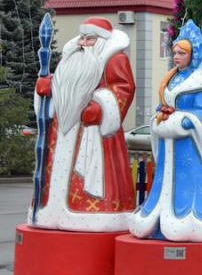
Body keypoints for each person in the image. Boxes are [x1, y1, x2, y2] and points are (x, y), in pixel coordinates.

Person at [129, 20, 202, 242]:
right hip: (169, 146)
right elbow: (162, 106)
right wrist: (158, 118)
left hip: (190, 147)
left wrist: (188, 121)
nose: (176, 57)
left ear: (192, 55)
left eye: (182, 53)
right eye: (175, 52)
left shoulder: (201, 82)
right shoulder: (171, 79)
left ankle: (195, 218)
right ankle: (160, 222)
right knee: (164, 183)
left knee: (190, 182)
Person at [30, 17, 136, 232]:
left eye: (90, 38)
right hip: (62, 131)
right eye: (82, 37)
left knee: (93, 170)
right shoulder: (70, 57)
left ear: (101, 41)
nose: (83, 43)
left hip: (93, 130)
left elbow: (124, 88)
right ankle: (50, 211)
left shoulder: (114, 59)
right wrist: (46, 89)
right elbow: (63, 85)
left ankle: (94, 214)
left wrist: (101, 107)